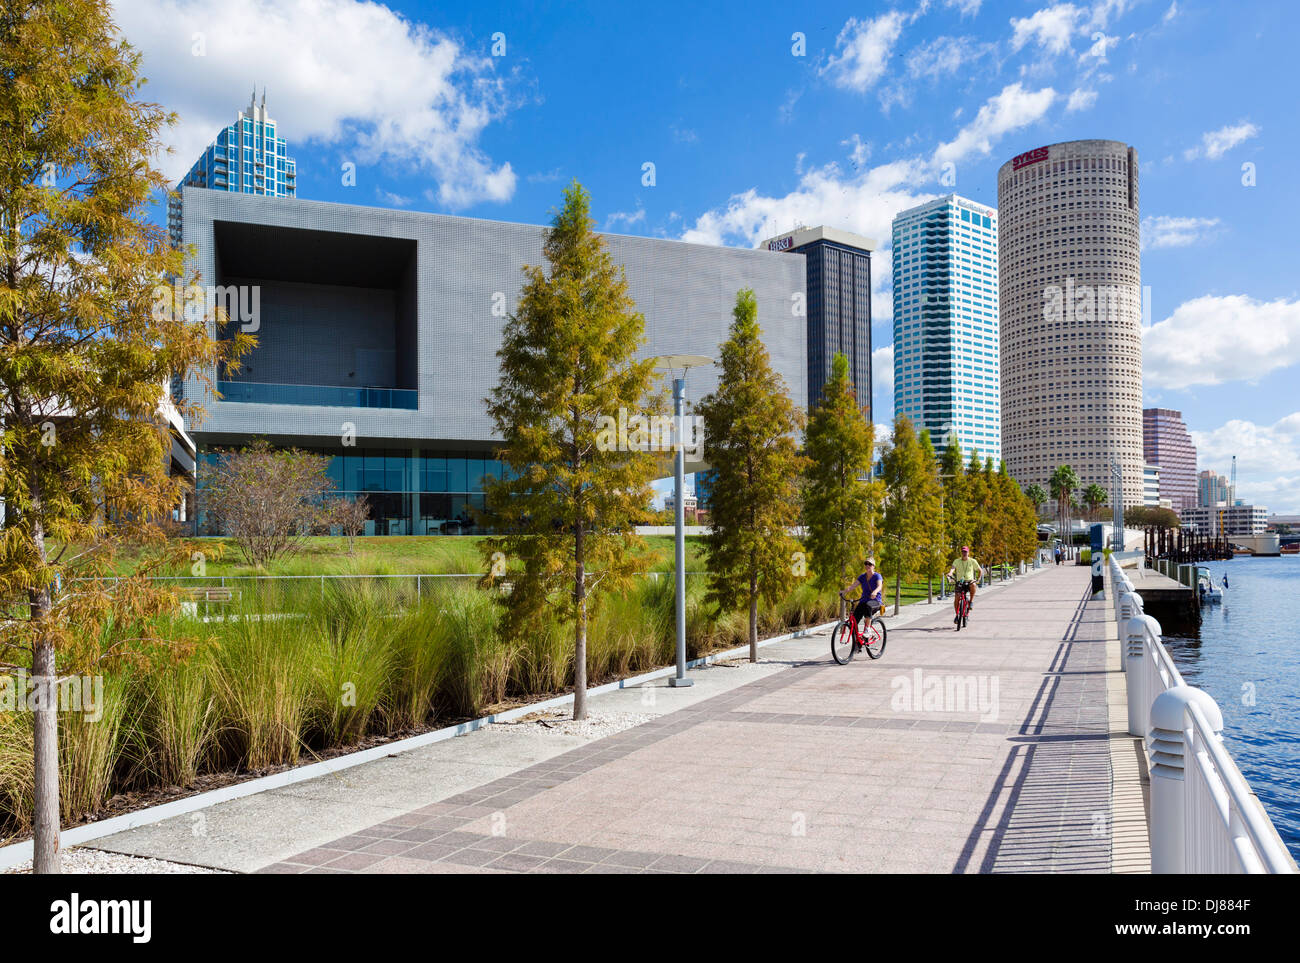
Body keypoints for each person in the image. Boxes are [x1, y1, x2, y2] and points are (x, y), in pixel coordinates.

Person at [841, 559, 884, 633]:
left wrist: (875, 592)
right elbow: (852, 586)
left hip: (875, 601)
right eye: (866, 564)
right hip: (864, 601)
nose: (867, 565)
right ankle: (857, 642)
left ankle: (867, 629)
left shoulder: (877, 576)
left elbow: (879, 586)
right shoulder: (862, 577)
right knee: (854, 621)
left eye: (870, 564)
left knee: (868, 607)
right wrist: (844, 592)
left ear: (873, 566)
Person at [946, 545, 985, 624]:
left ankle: (971, 602)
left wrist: (978, 579)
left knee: (973, 585)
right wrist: (950, 573)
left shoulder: (972, 561)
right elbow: (952, 569)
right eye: (963, 551)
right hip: (960, 582)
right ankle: (957, 615)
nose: (964, 553)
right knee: (957, 597)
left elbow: (980, 570)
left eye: (965, 552)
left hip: (969, 581)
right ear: (961, 552)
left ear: (968, 552)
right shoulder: (957, 561)